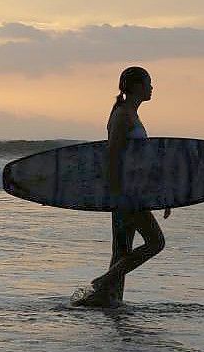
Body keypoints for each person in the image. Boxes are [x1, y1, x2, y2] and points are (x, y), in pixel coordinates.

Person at [76, 66, 169, 306]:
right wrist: (117, 195)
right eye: (149, 82)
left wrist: (163, 195)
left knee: (122, 251)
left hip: (132, 192)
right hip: (125, 195)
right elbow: (113, 156)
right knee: (156, 242)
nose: (152, 87)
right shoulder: (122, 116)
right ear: (137, 86)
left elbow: (139, 162)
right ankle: (105, 282)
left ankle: (106, 301)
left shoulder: (130, 114)